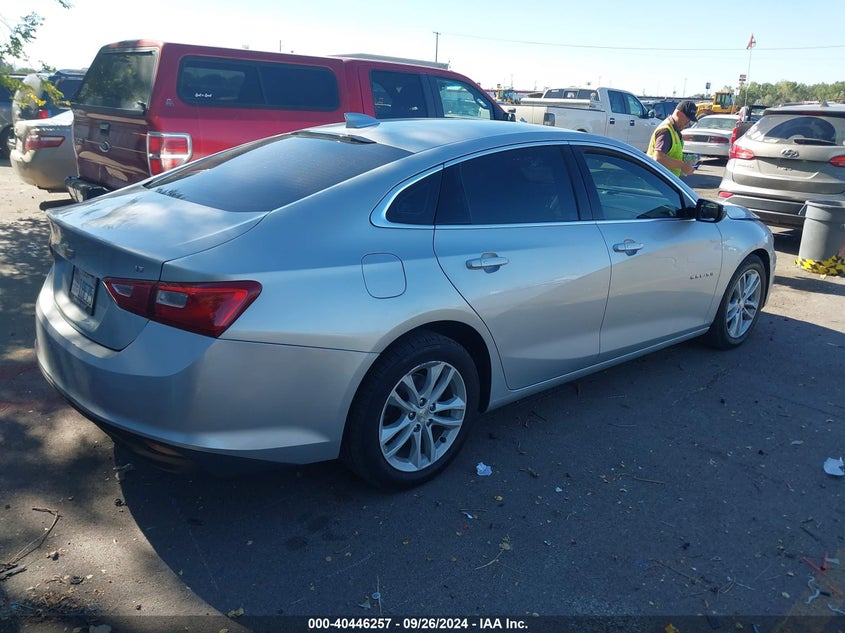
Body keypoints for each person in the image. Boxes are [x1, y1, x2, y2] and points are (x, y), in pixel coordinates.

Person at [647, 99, 698, 176]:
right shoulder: (666, 131)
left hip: (663, 180)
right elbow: (658, 159)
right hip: (659, 181)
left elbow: (670, 154)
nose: (688, 123)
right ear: (678, 114)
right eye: (687, 119)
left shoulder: (673, 129)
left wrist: (684, 159)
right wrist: (682, 165)